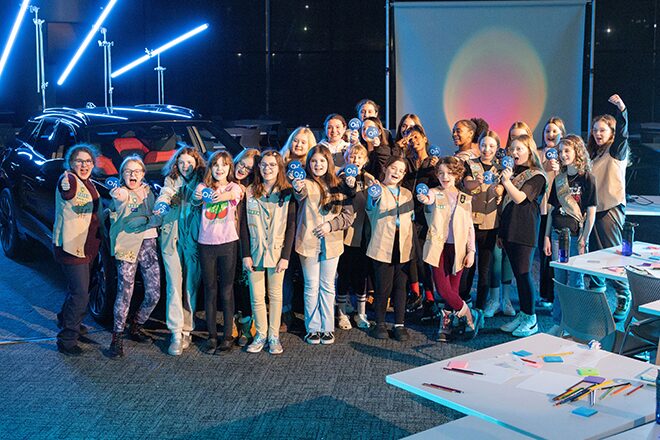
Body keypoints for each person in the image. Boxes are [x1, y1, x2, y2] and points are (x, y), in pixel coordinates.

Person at [292, 145, 354, 345]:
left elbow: (348, 215)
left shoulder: (340, 185)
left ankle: (327, 327)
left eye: (321, 161)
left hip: (332, 242)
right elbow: (299, 193)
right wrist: (297, 186)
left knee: (327, 286)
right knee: (311, 285)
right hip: (308, 241)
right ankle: (313, 328)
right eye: (313, 161)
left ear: (329, 162)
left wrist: (330, 225)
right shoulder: (305, 183)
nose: (318, 165)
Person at [418, 157, 479, 342]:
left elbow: (469, 227)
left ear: (457, 175)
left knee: (453, 289)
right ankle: (469, 314)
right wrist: (424, 198)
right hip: (438, 247)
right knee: (443, 289)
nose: (445, 177)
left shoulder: (464, 198)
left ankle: (446, 323)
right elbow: (428, 201)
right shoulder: (434, 192)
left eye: (450, 173)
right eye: (441, 173)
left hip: (459, 248)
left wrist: (471, 251)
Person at [241, 150, 296, 355]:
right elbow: (243, 227)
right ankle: (260, 334)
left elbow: (291, 225)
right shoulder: (249, 191)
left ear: (279, 167)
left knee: (276, 295)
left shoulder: (287, 192)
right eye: (264, 164)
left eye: (272, 165)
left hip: (277, 252)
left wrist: (286, 257)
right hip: (254, 251)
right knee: (256, 296)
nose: (267, 168)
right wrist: (245, 254)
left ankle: (274, 336)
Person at [108, 156, 162, 358]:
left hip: (148, 244)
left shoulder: (150, 191)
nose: (133, 174)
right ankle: (117, 337)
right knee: (125, 293)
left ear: (143, 174)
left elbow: (159, 216)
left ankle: (136, 324)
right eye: (128, 171)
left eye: (137, 171)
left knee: (154, 293)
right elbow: (119, 197)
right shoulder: (121, 192)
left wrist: (149, 219)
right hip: (127, 246)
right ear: (122, 175)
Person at [543, 135, 597, 335]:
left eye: (567, 151)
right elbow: (551, 211)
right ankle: (559, 322)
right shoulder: (558, 180)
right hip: (557, 235)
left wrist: (584, 238)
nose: (562, 155)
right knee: (559, 279)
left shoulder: (587, 178)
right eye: (560, 151)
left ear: (577, 152)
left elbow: (591, 212)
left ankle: (576, 324)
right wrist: (546, 237)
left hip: (576, 237)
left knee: (575, 281)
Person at [156, 145, 206, 356]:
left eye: (190, 162)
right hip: (171, 239)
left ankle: (188, 329)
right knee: (174, 286)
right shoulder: (171, 181)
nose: (185, 166)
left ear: (197, 164)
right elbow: (165, 195)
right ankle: (176, 332)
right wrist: (161, 204)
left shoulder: (202, 182)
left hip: (193, 241)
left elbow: (200, 198)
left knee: (191, 286)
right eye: (182, 162)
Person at [53, 144, 103, 356]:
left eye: (88, 161)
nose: (84, 165)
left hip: (87, 247)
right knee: (81, 294)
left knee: (80, 289)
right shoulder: (70, 180)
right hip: (72, 247)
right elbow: (68, 193)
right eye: (79, 161)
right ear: (71, 164)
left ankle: (67, 318)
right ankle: (67, 338)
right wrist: (66, 184)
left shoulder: (89, 182)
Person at [587, 93, 631, 321]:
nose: (597, 133)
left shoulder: (616, 150)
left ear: (611, 132)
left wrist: (621, 110)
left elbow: (624, 133)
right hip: (594, 210)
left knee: (612, 254)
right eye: (595, 129)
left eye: (602, 129)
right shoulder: (594, 153)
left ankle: (624, 295)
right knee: (595, 255)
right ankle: (597, 298)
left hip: (611, 208)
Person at [194, 151, 243, 354]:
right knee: (210, 289)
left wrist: (220, 195)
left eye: (224, 165)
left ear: (230, 168)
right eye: (215, 165)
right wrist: (202, 195)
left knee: (226, 289)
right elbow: (197, 197)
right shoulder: (202, 187)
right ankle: (212, 335)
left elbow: (235, 194)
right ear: (210, 168)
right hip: (206, 243)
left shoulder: (234, 187)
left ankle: (228, 337)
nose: (220, 169)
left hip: (228, 243)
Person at [498, 135, 547, 337]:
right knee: (518, 274)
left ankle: (532, 318)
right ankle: (523, 313)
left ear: (529, 150)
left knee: (524, 274)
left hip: (524, 230)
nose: (514, 153)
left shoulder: (537, 176)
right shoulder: (515, 173)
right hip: (509, 228)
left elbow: (519, 198)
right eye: (512, 149)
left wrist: (506, 181)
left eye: (519, 149)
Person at [366, 156, 414, 340]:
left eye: (401, 171)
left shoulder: (407, 193)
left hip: (403, 245)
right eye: (394, 168)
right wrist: (375, 194)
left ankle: (400, 323)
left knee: (401, 286)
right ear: (386, 168)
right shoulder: (377, 189)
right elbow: (371, 205)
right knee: (382, 287)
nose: (396, 173)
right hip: (382, 244)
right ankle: (380, 323)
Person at [460, 131, 504, 312]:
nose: (487, 149)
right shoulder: (470, 164)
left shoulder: (501, 168)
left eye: (491, 146)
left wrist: (497, 190)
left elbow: (501, 190)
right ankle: (464, 300)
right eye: (484, 145)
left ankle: (480, 308)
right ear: (478, 145)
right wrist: (477, 183)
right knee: (467, 264)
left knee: (484, 268)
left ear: (497, 148)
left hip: (490, 223)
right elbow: (467, 184)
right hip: (469, 222)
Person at [336, 144, 376, 330]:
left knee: (362, 275)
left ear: (365, 160)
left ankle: (361, 313)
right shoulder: (339, 178)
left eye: (359, 157)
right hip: (345, 234)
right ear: (346, 159)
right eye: (351, 157)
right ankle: (342, 313)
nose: (355, 160)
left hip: (364, 235)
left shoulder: (370, 180)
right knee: (344, 274)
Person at [401, 126, 438, 321]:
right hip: (406, 215)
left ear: (424, 138)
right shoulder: (405, 162)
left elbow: (439, 186)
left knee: (423, 258)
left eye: (416, 137)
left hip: (426, 217)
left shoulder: (433, 162)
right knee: (409, 256)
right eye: (409, 138)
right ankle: (414, 294)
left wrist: (434, 168)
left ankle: (430, 298)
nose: (413, 141)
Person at [537, 117, 567, 309]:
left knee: (559, 254)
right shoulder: (538, 154)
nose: (551, 134)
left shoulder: (565, 156)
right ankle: (546, 294)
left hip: (560, 210)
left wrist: (559, 169)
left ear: (562, 135)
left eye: (555, 131)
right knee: (544, 252)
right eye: (548, 131)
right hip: (542, 208)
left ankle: (561, 295)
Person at [232, 148, 260, 347]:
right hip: (221, 239)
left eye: (248, 168)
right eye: (241, 163)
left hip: (243, 239)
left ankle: (246, 323)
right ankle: (231, 321)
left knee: (244, 283)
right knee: (227, 283)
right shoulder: (222, 180)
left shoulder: (251, 189)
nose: (242, 169)